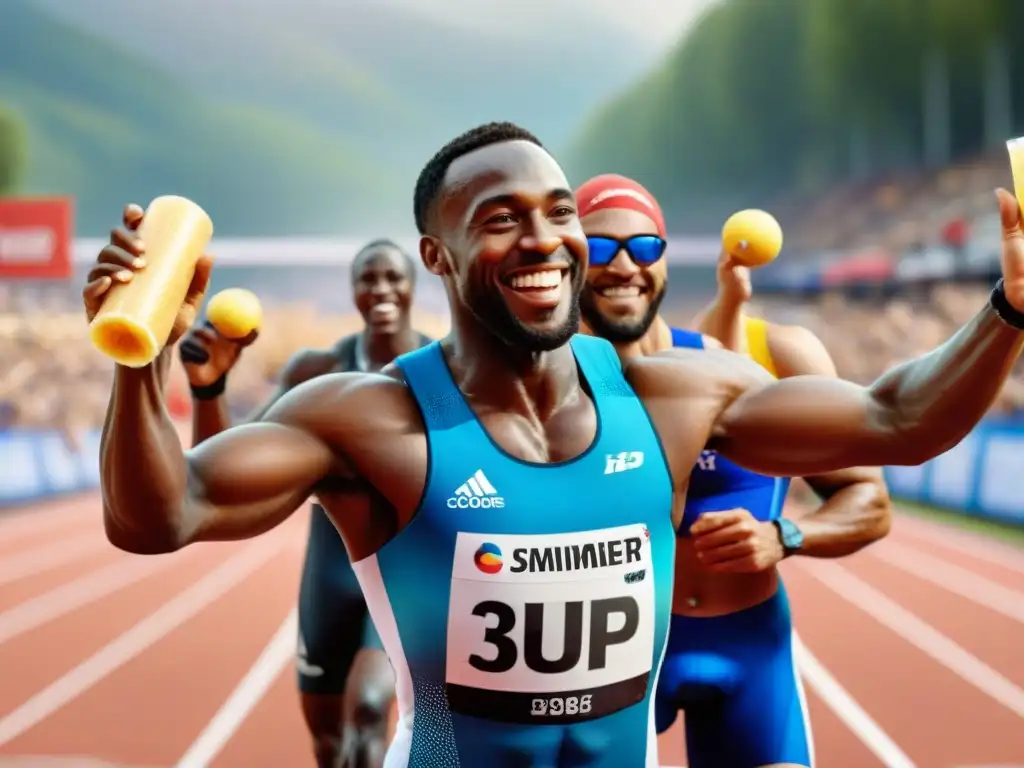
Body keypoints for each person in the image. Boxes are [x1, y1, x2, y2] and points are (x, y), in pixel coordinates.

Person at [84, 121, 1024, 768]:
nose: (546, 240)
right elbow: (158, 517)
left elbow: (901, 421)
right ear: (437, 256)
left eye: (559, 210)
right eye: (501, 218)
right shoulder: (366, 419)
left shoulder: (674, 395)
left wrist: (1011, 306)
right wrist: (141, 361)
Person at [575, 173, 893, 768]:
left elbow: (869, 501)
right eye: (599, 248)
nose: (624, 265)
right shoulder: (552, 390)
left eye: (644, 247)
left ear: (664, 260)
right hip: (617, 653)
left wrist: (785, 536)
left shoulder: (754, 363)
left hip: (750, 645)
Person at [176, 239, 431, 768]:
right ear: (354, 292)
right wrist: (209, 389)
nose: (380, 288)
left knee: (369, 709)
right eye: (367, 278)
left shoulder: (444, 373)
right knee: (330, 746)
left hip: (404, 573)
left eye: (392, 277)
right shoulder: (315, 372)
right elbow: (223, 472)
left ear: (413, 286)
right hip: (329, 574)